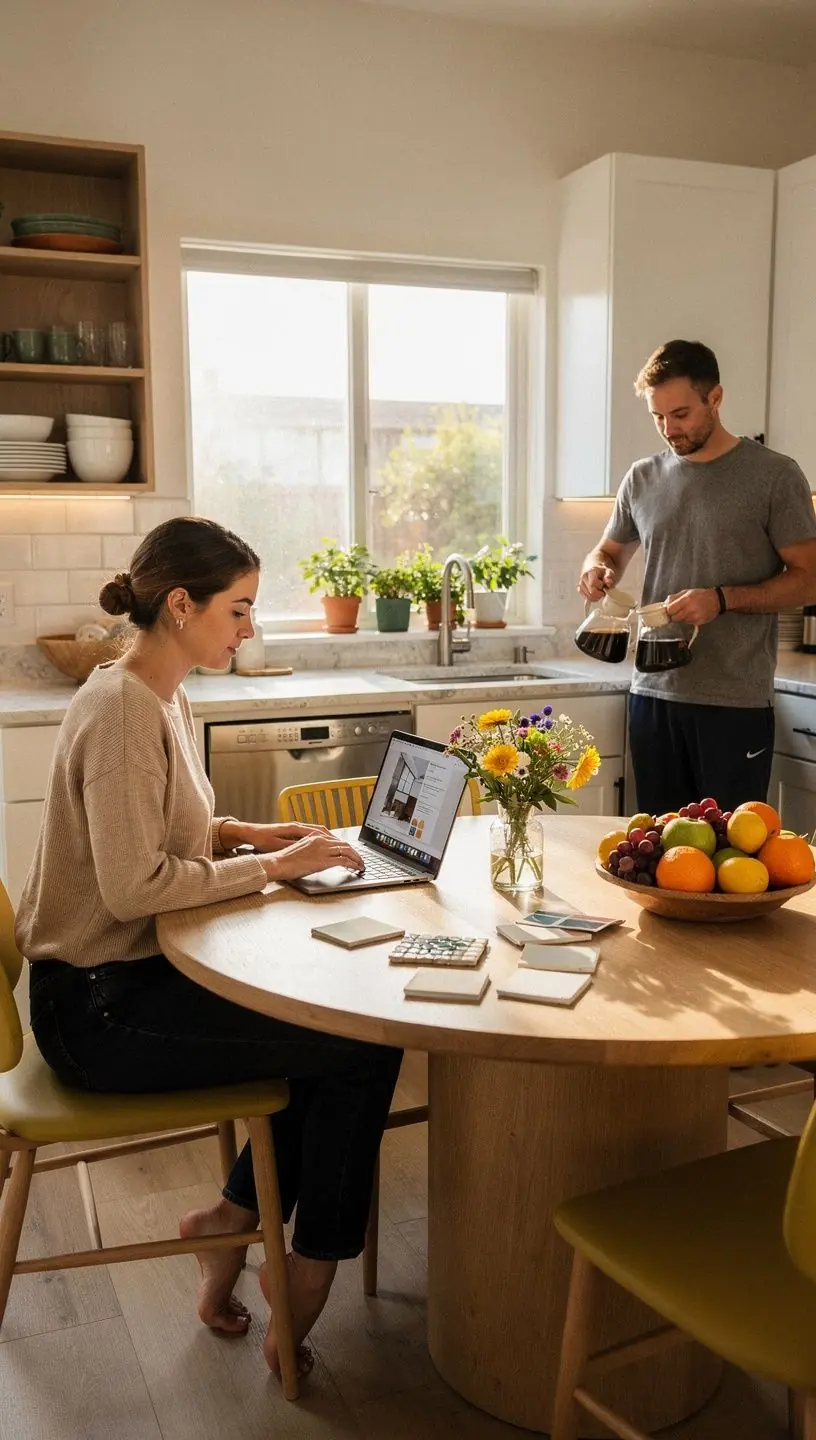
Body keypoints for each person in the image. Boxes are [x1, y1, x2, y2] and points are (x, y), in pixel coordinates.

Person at [14, 516, 403, 1377]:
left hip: (122, 982)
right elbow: (134, 888)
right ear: (181, 605)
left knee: (330, 1032)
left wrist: (246, 833)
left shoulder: (160, 691)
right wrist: (275, 869)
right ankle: (306, 1276)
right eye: (240, 609)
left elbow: (169, 830)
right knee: (361, 1048)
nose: (250, 628)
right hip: (97, 1010)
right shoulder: (121, 710)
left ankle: (229, 1222)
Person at [578, 339, 816, 817]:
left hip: (734, 701)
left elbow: (809, 579)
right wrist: (595, 568)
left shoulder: (773, 476)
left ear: (716, 398)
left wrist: (722, 599)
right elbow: (609, 550)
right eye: (658, 417)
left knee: (730, 862)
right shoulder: (642, 477)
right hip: (652, 694)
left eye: (681, 414)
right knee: (659, 855)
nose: (670, 429)